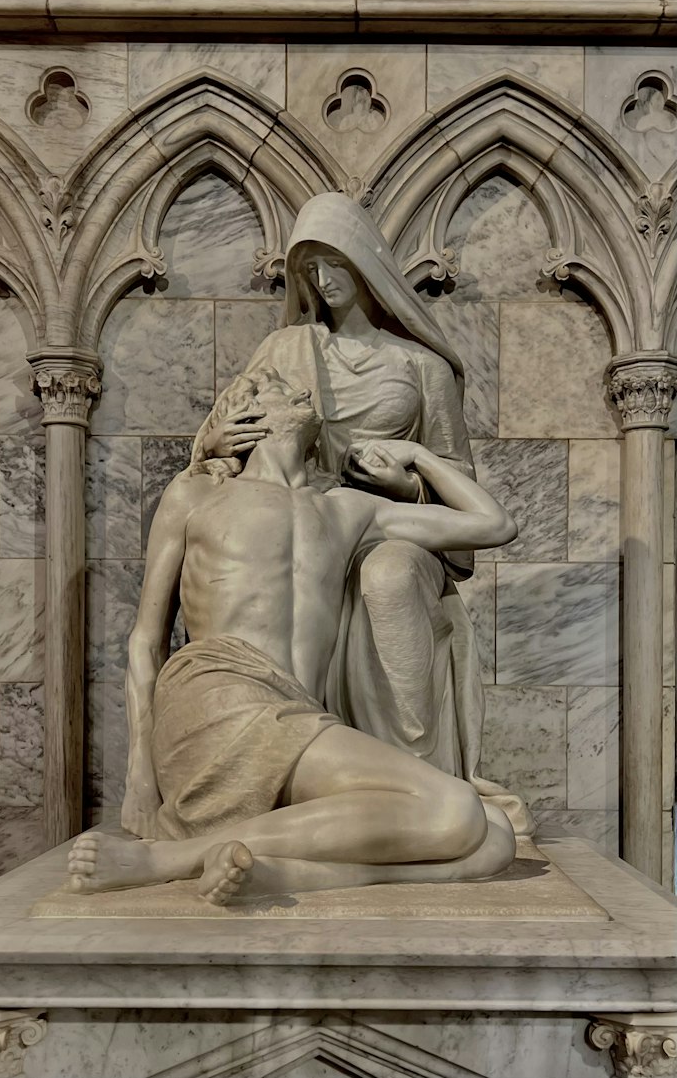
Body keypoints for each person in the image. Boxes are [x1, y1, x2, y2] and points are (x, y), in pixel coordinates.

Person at [67, 370, 518, 905]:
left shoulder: (349, 509)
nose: (304, 391)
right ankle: (168, 859)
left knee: (493, 837)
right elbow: (146, 640)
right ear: (248, 414)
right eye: (283, 388)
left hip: (297, 717)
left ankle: (278, 873)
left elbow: (493, 524)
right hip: (216, 696)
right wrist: (140, 774)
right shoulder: (197, 493)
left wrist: (418, 455)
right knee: (454, 811)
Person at [190, 192, 528, 832]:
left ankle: (415, 779)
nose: (322, 280)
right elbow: (219, 437)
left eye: (333, 263)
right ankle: (282, 769)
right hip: (306, 516)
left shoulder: (422, 368)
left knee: (388, 577)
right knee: (264, 579)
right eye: (308, 269)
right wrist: (213, 444)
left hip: (391, 527)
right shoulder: (286, 349)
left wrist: (404, 480)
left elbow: (464, 485)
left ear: (366, 263)